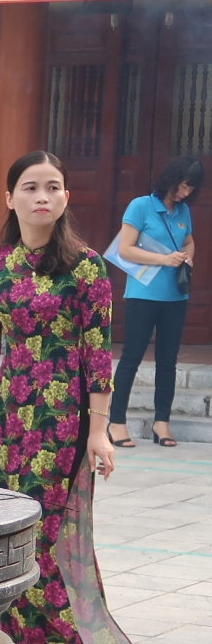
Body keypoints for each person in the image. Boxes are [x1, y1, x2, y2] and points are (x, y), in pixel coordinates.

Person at [0, 151, 125, 644]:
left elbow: (97, 352)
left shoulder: (87, 266)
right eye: (29, 187)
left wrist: (99, 432)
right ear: (10, 198)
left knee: (42, 531)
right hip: (10, 420)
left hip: (62, 420)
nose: (41, 196)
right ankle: (20, 643)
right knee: (15, 528)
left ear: (66, 197)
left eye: (52, 187)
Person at [107, 155, 199, 449]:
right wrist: (164, 259)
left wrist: (188, 256)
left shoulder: (184, 211)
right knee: (132, 357)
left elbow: (188, 241)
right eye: (184, 186)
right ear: (171, 179)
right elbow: (126, 250)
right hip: (143, 295)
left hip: (176, 295)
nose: (186, 193)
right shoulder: (141, 206)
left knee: (167, 361)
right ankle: (116, 422)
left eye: (191, 189)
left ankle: (162, 422)